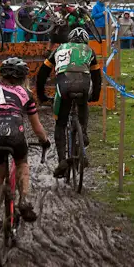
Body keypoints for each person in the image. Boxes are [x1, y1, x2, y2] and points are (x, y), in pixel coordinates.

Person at [0, 58, 50, 233]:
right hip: (15, 132)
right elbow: (36, 127)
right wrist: (45, 141)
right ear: (23, 78)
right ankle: (24, 199)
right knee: (21, 163)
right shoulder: (26, 94)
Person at [36, 27, 102, 178]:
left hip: (64, 85)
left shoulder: (60, 48)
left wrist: (42, 96)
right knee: (83, 103)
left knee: (60, 123)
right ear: (85, 41)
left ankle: (62, 162)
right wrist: (95, 96)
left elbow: (41, 74)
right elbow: (97, 77)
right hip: (83, 85)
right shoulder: (89, 50)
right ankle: (83, 133)